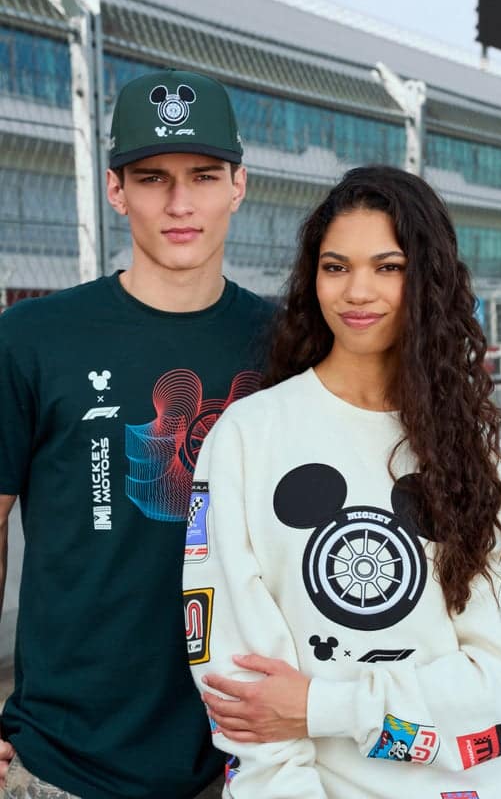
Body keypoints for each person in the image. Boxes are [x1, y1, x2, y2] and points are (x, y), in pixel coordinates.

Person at [183, 165, 501, 799]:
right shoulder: (249, 436)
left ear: (428, 281)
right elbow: (241, 690)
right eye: (336, 266)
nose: (357, 291)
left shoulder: (487, 461)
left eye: (388, 266)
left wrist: (321, 706)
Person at [0, 69, 273, 799]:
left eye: (204, 176)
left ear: (237, 185)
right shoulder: (32, 337)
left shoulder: (290, 343)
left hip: (249, 758)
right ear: (116, 190)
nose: (180, 203)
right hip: (66, 763)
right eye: (152, 178)